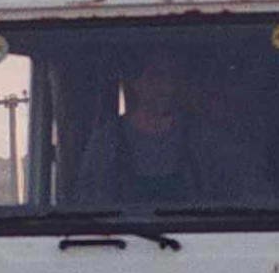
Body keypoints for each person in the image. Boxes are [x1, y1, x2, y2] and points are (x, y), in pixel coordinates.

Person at [70, 52, 255, 205]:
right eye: (155, 77)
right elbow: (88, 206)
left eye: (171, 78)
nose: (165, 87)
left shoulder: (204, 139)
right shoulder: (108, 141)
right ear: (135, 82)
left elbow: (236, 198)